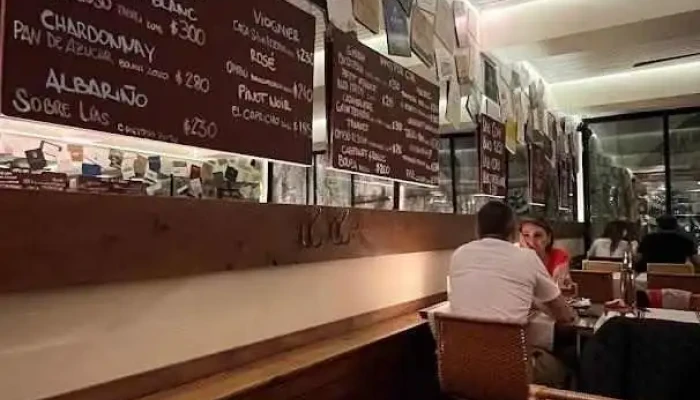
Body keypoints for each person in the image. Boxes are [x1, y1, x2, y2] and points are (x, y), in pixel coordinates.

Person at [449, 201, 577, 388]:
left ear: (477, 230)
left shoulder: (458, 255)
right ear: (513, 232)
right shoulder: (527, 258)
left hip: (463, 367)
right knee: (571, 359)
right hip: (511, 370)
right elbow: (565, 316)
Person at [519, 217, 573, 290]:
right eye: (526, 235)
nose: (531, 242)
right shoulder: (514, 257)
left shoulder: (558, 256)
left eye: (538, 235)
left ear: (548, 238)